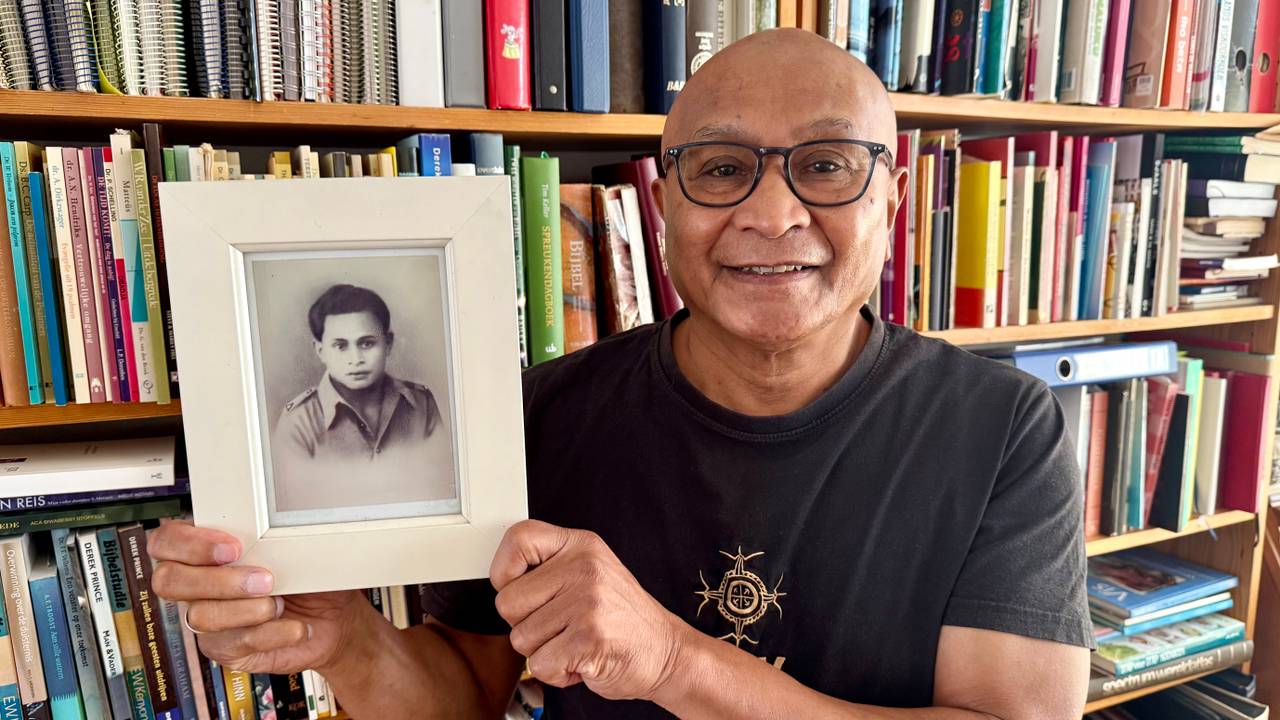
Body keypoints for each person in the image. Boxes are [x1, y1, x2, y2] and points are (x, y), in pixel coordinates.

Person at [151, 29, 1092, 718]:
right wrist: (345, 639)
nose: (772, 214)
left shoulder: (1004, 429)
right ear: (664, 201)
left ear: (892, 199)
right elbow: (463, 700)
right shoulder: (542, 414)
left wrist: (673, 660)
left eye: (827, 165)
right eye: (719, 168)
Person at [270, 283, 453, 514]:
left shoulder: (421, 404)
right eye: (340, 346)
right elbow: (294, 508)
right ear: (320, 351)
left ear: (388, 344)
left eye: (367, 343)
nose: (356, 359)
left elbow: (441, 488)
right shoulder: (298, 421)